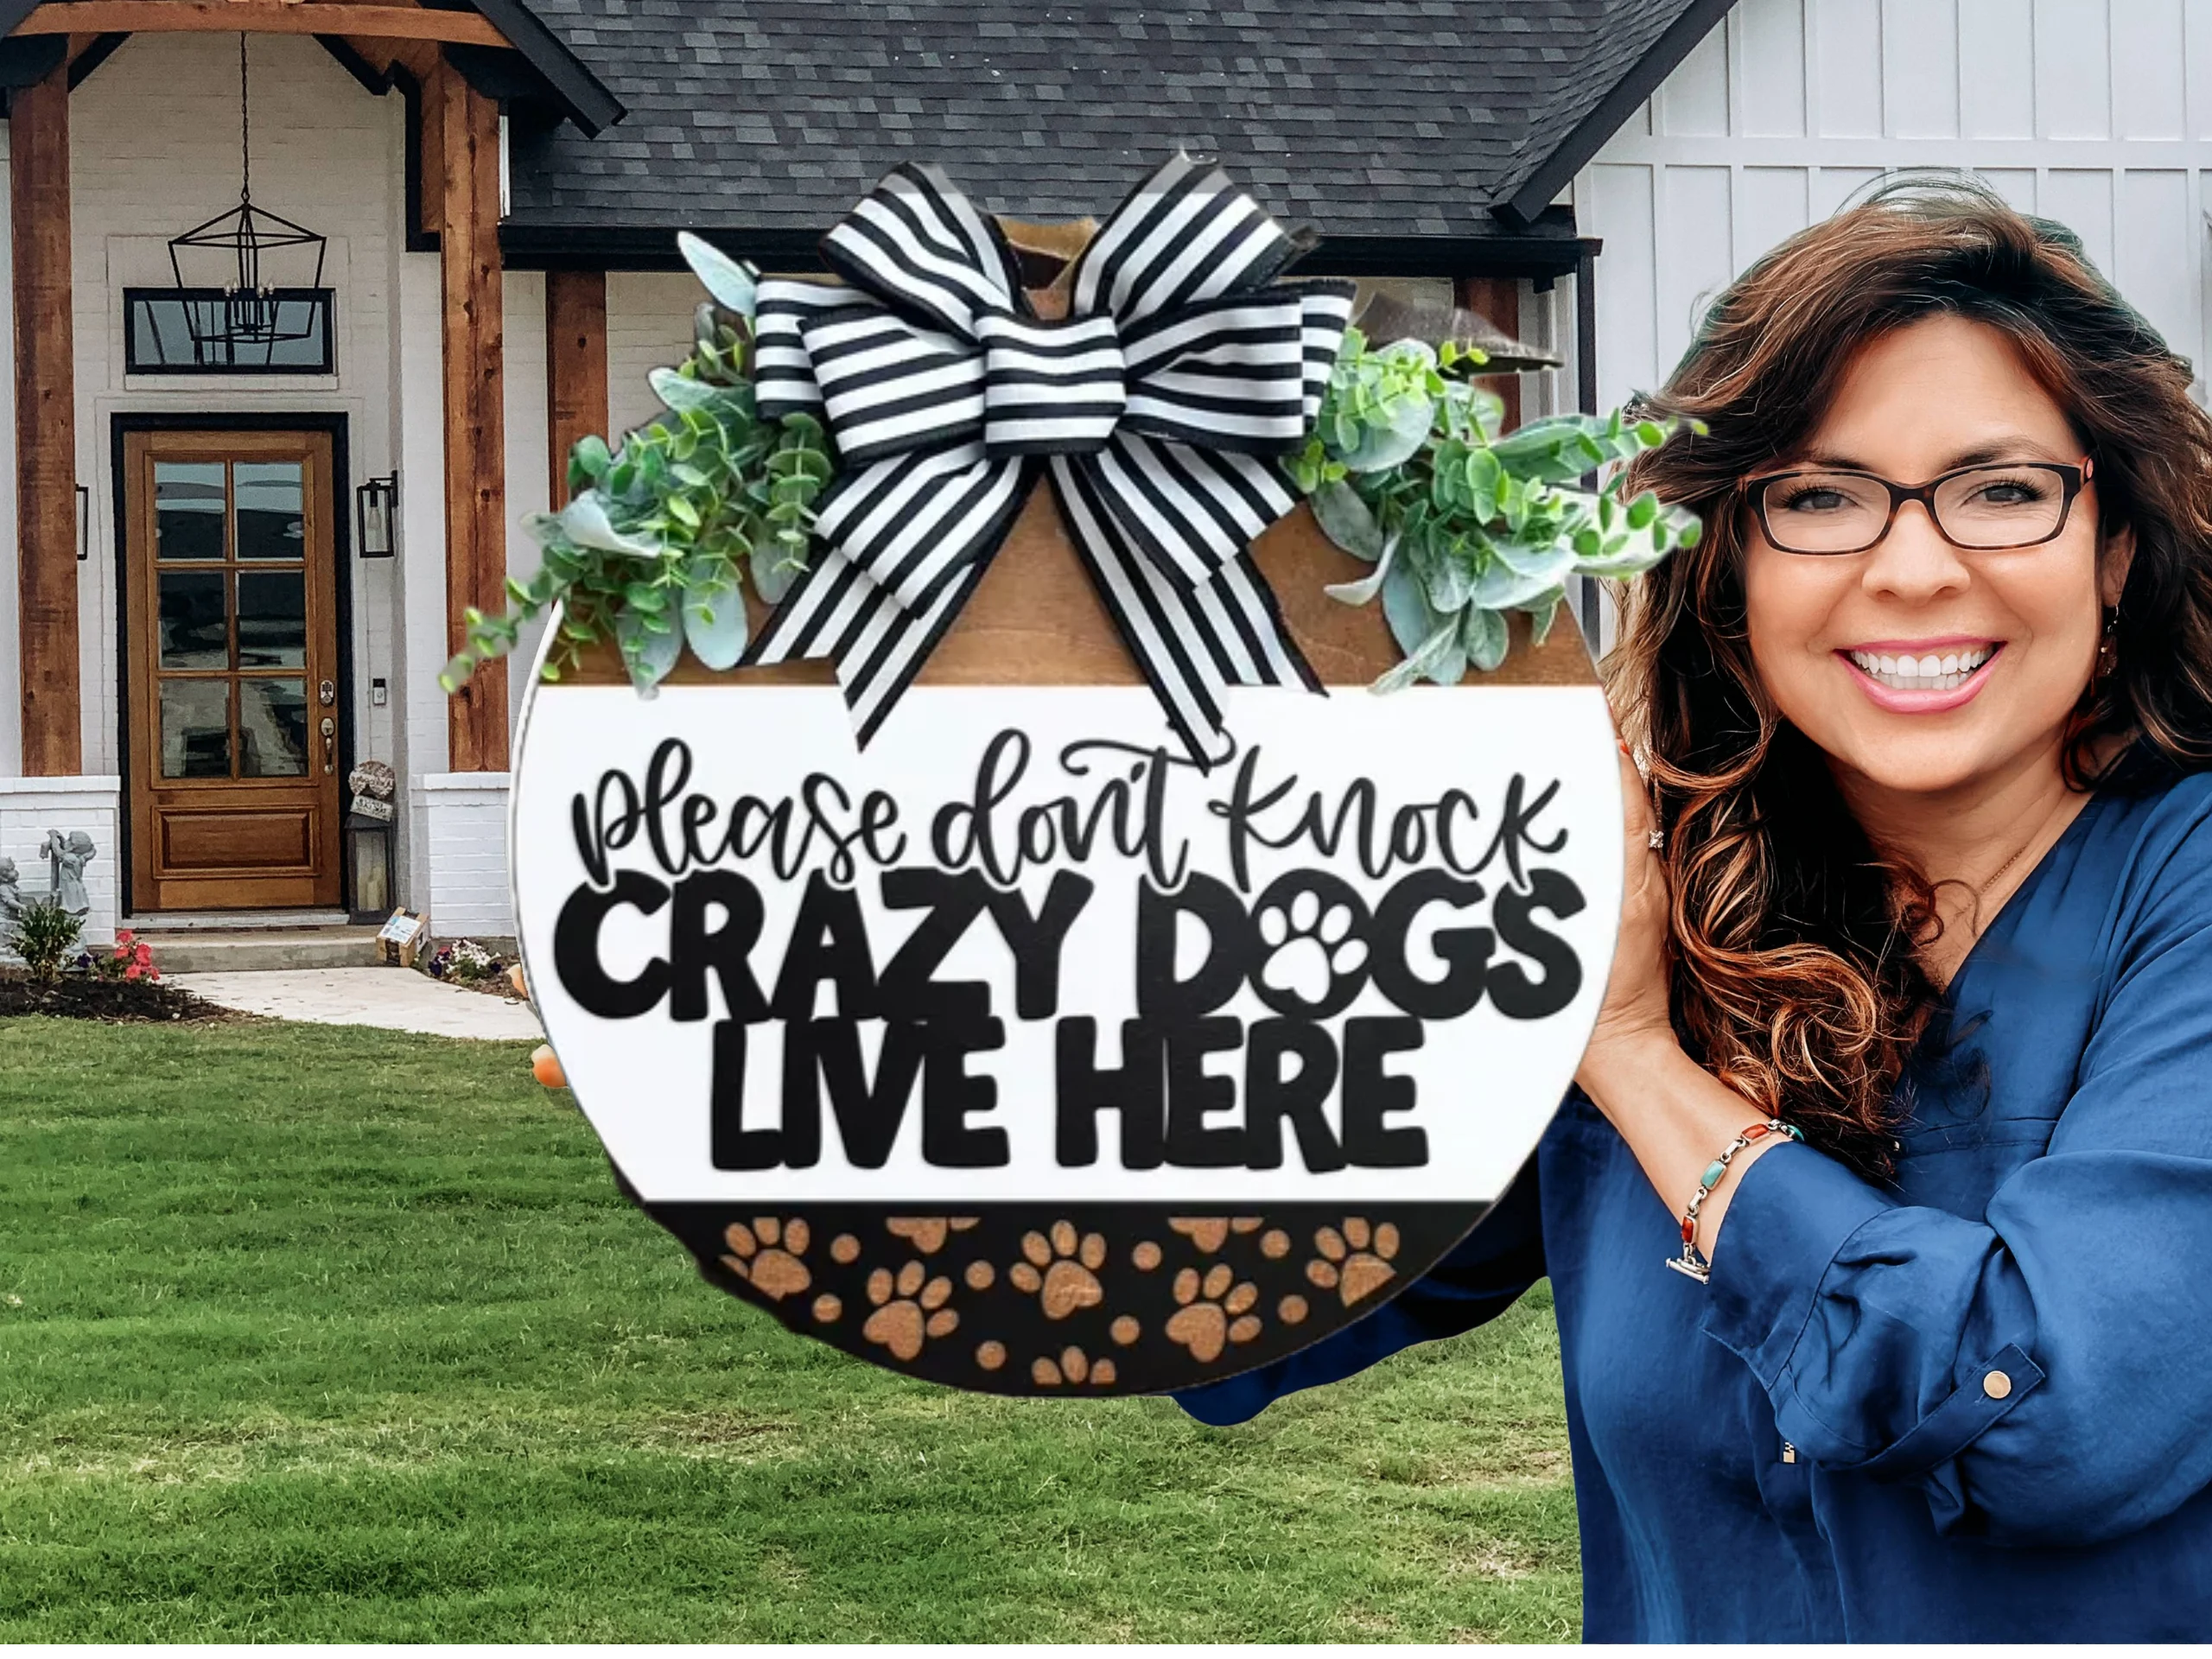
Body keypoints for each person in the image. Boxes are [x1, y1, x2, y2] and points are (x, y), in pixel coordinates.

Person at [1177, 179, 2212, 1642]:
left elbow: (2049, 1416)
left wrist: (1635, 1057)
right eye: (1820, 497)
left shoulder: (2182, 894)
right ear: (1728, 562)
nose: (1914, 568)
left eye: (2002, 489)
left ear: (2113, 550)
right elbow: (1235, 1290)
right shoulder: (1654, 893)